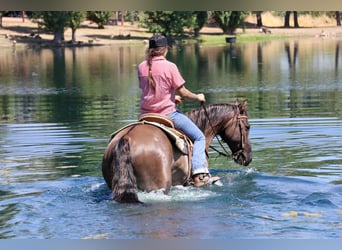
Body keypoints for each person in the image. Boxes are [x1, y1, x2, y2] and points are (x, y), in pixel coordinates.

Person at [137, 34, 219, 187]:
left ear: (150, 50)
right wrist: (197, 97)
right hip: (168, 114)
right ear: (165, 49)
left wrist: (171, 98)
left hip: (145, 115)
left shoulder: (141, 66)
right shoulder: (170, 66)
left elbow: (149, 91)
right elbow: (183, 92)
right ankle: (199, 174)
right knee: (199, 138)